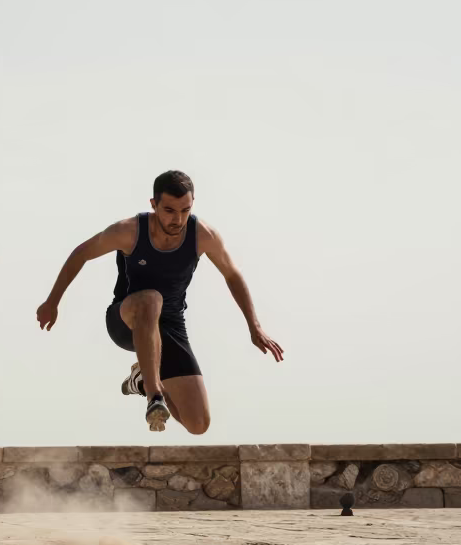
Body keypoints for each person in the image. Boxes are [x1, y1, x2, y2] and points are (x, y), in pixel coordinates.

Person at [36, 170, 283, 433]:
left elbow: (232, 275)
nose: (177, 219)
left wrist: (254, 326)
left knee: (198, 424)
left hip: (170, 325)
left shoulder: (203, 235)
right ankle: (155, 395)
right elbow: (80, 254)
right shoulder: (128, 231)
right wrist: (52, 302)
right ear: (153, 205)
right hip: (126, 320)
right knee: (152, 299)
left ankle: (142, 381)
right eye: (169, 210)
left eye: (185, 210)